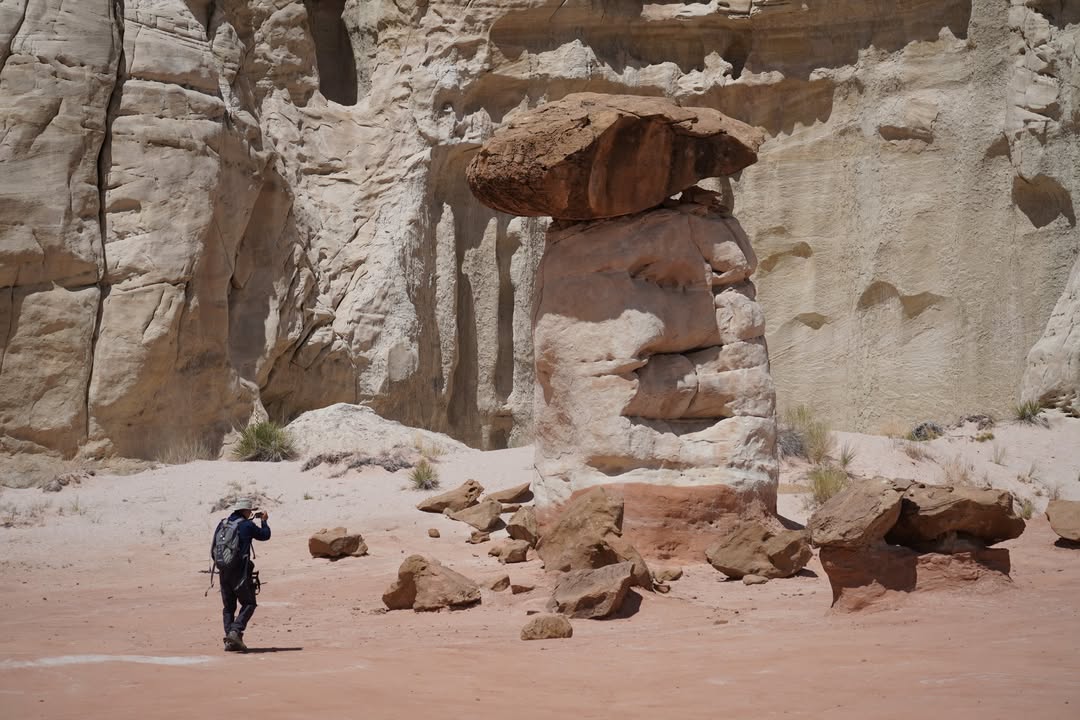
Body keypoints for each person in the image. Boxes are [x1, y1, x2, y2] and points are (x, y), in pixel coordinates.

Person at [215, 498, 271, 652]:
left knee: (228, 607)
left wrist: (224, 565)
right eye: (250, 511)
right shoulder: (247, 525)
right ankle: (235, 632)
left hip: (223, 570)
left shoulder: (223, 524)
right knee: (249, 603)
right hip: (240, 571)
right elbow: (265, 535)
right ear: (245, 511)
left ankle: (231, 641)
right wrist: (264, 521)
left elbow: (215, 548)